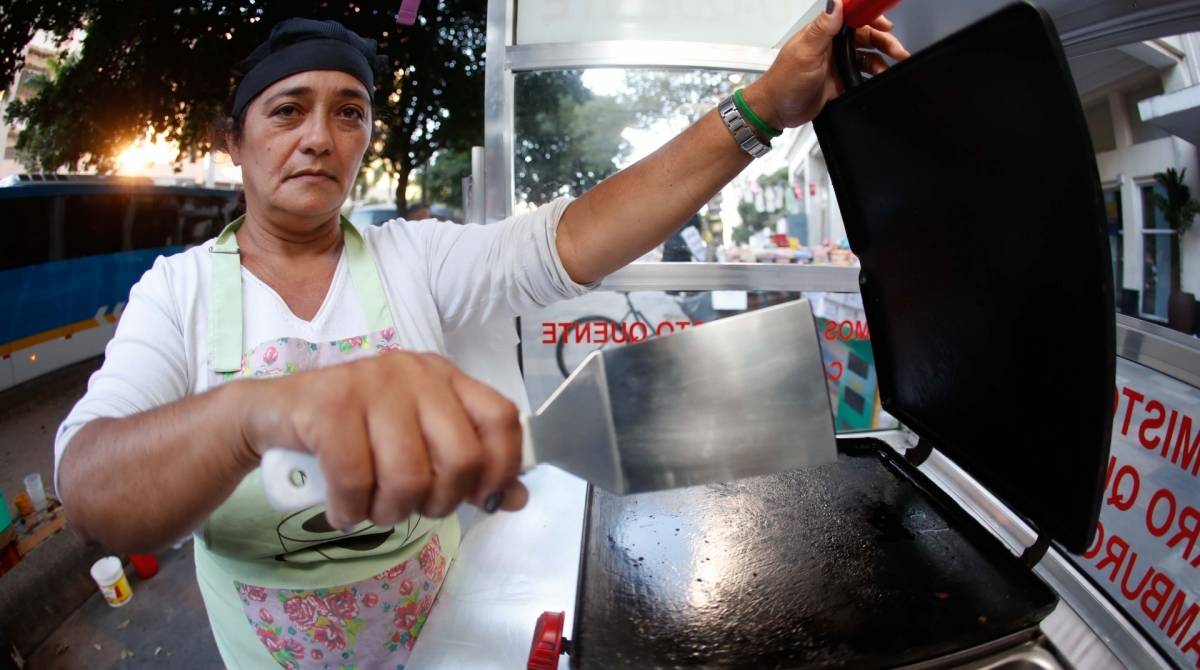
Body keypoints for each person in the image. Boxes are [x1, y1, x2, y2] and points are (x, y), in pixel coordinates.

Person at [54, 4, 907, 668]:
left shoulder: (415, 258)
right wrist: (255, 415)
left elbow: (575, 237)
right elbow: (92, 495)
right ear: (233, 141)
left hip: (448, 640)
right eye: (287, 111)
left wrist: (761, 109)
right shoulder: (176, 294)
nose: (319, 137)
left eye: (348, 112)